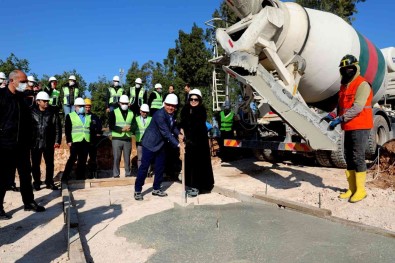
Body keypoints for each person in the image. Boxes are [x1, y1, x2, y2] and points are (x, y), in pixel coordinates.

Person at [324, 54, 373, 203]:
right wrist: (332, 115)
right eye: (344, 69)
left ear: (356, 68)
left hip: (361, 125)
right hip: (349, 126)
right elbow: (341, 105)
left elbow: (357, 107)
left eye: (350, 68)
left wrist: (340, 119)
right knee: (348, 156)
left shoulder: (362, 84)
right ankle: (351, 189)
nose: (347, 71)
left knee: (358, 156)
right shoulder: (344, 85)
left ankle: (361, 190)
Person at [0, 70, 46, 220]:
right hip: (5, 145)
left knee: (26, 175)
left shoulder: (23, 98)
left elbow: (28, 121)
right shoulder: (1, 96)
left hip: (22, 145)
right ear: (12, 81)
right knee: (3, 177)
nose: (26, 84)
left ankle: (29, 202)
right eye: (23, 81)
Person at [134, 94, 181, 200]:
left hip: (161, 145)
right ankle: (137, 190)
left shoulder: (172, 114)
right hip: (149, 144)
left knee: (160, 167)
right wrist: (178, 144)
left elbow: (173, 128)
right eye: (168, 105)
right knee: (144, 168)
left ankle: (156, 188)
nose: (170, 107)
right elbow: (166, 132)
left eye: (173, 106)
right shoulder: (159, 115)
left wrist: (180, 135)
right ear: (164, 104)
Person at [180, 89, 214, 196]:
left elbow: (197, 125)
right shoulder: (185, 110)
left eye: (196, 99)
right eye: (191, 99)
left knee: (199, 165)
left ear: (199, 100)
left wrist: (191, 138)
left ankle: (198, 187)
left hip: (199, 143)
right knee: (189, 165)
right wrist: (181, 132)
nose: (193, 101)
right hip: (189, 143)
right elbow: (183, 123)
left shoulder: (201, 110)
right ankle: (190, 185)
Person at [31, 91, 62, 190]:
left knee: (50, 164)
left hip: (48, 143)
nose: (46, 103)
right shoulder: (32, 112)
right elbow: (27, 128)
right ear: (38, 101)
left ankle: (49, 182)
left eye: (47, 101)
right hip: (35, 143)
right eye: (44, 101)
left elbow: (58, 129)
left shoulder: (53, 113)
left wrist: (57, 141)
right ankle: (36, 182)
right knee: (35, 164)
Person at [62, 98, 91, 181]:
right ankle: (65, 177)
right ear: (75, 107)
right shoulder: (70, 116)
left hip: (85, 141)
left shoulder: (88, 117)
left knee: (83, 160)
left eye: (83, 106)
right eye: (80, 106)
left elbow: (89, 129)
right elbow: (68, 129)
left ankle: (80, 177)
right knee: (72, 159)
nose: (82, 108)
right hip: (75, 141)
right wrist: (69, 141)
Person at [109, 95, 135, 178]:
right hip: (117, 138)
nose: (124, 105)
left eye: (126, 103)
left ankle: (128, 173)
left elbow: (135, 125)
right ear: (119, 103)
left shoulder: (131, 113)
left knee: (127, 158)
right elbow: (111, 125)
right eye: (123, 103)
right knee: (117, 157)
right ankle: (116, 174)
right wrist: (121, 129)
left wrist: (130, 128)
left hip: (127, 138)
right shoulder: (114, 112)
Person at [85, 98, 103, 178]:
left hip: (93, 141)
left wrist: (98, 133)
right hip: (84, 142)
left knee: (93, 158)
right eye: (86, 107)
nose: (87, 109)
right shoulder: (81, 117)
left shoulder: (94, 117)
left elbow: (99, 127)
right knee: (83, 159)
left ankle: (93, 174)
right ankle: (83, 175)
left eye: (89, 107)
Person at [134, 104, 151, 168]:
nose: (145, 113)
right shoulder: (136, 119)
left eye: (146, 112)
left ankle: (148, 172)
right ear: (140, 111)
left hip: (148, 142)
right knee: (140, 158)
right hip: (139, 141)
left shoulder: (151, 119)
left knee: (147, 157)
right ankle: (140, 171)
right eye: (143, 112)